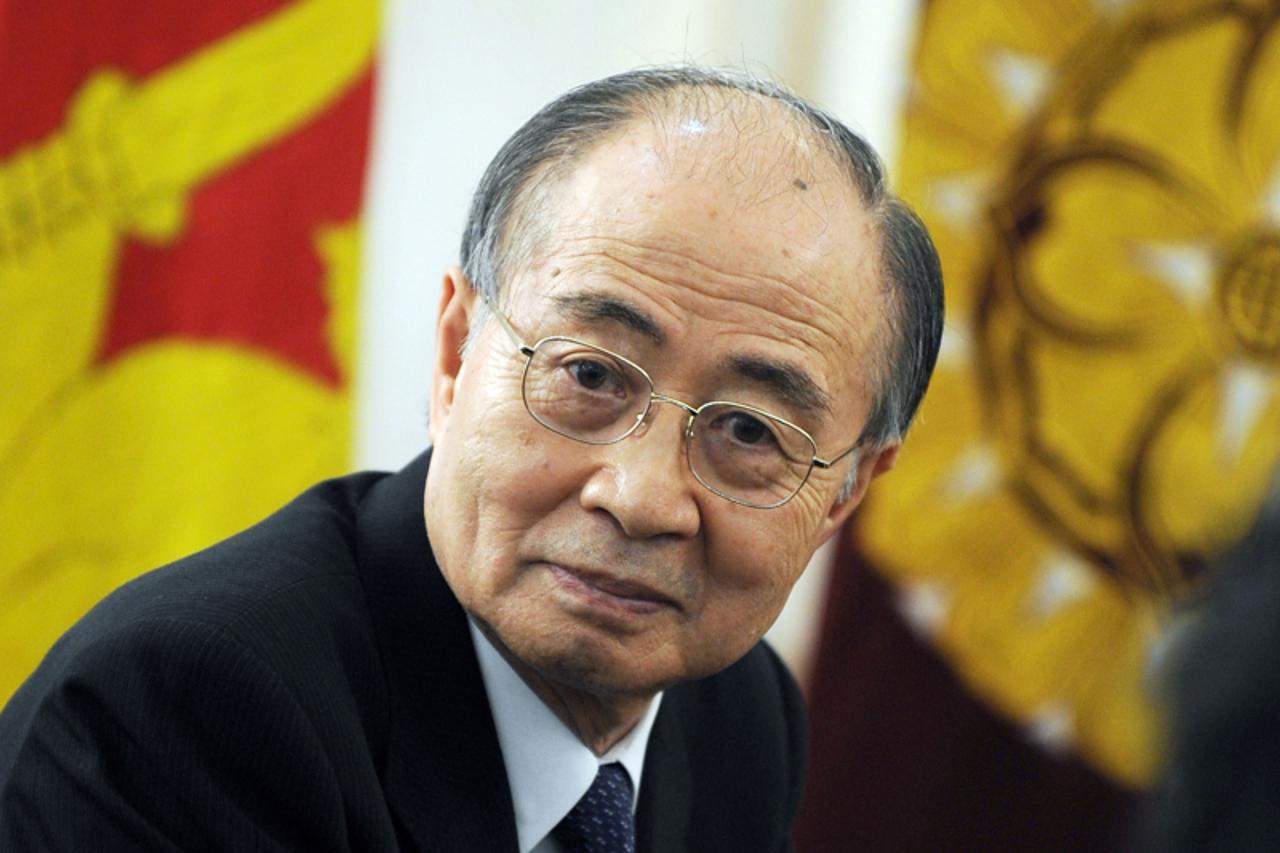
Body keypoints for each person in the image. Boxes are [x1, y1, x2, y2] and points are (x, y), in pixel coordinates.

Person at [0, 66, 943, 851]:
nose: (643, 496)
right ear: (456, 354)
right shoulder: (187, 711)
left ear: (845, 492)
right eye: (589, 374)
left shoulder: (740, 714)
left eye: (748, 432)